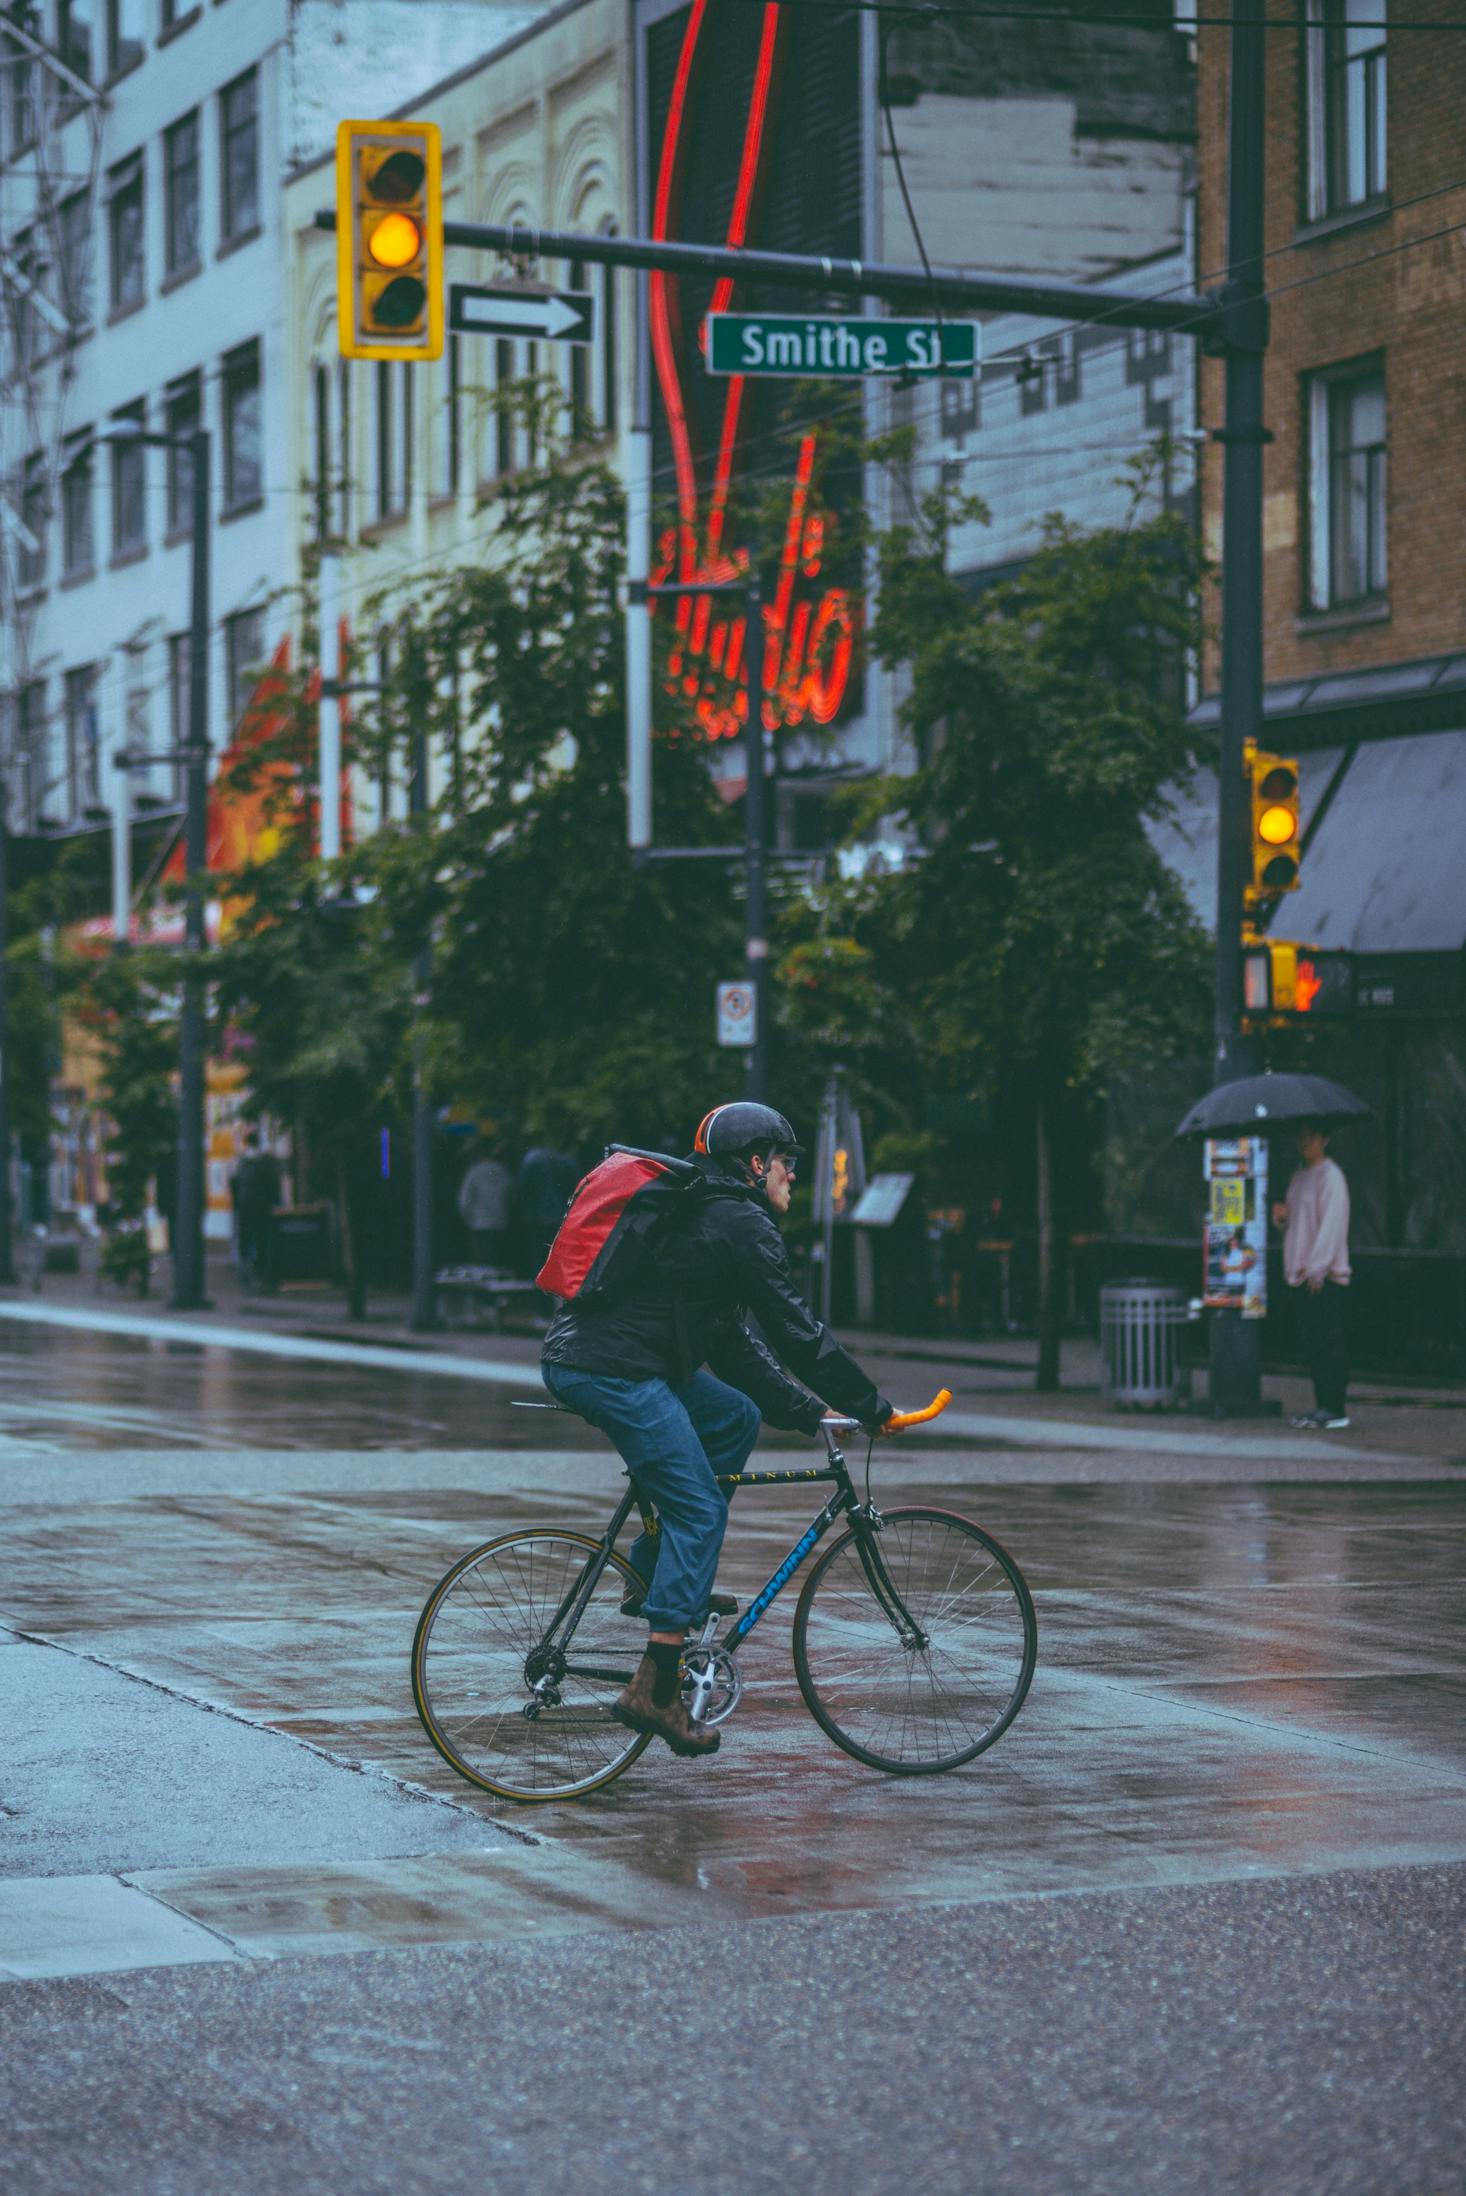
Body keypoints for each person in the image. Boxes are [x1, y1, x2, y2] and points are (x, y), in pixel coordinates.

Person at [541, 1101, 894, 1761]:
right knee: (699, 1508)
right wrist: (870, 1405)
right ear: (755, 1163)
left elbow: (732, 1345)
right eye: (787, 1162)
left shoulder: (707, 1211)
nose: (793, 1175)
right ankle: (657, 1689)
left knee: (733, 1416)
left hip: (612, 1359)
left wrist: (808, 1411)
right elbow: (795, 1331)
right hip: (614, 1369)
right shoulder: (738, 1219)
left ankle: (654, 1577)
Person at [1272, 1120, 1351, 1431]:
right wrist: (1281, 1218)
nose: (1305, 1142)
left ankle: (1335, 1407)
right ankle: (1323, 1406)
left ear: (1325, 1139)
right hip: (1301, 1273)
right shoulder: (1299, 1175)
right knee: (1315, 1345)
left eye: (1312, 1137)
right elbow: (1297, 1223)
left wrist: (1318, 1268)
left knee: (1329, 1342)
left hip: (1324, 1276)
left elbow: (1333, 1225)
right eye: (1301, 1137)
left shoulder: (1331, 1177)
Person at [232, 1129, 283, 1293]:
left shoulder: (241, 1161)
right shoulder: (265, 1161)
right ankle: (261, 1275)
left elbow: (233, 1184)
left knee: (245, 1241)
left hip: (244, 1207)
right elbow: (273, 1186)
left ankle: (246, 1274)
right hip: (262, 1208)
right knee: (262, 1240)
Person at [457, 1142, 512, 1268]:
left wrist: (469, 1220)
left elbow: (464, 1201)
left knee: (482, 1262)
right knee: (497, 1262)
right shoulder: (504, 1172)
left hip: (479, 1224)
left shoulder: (474, 1172)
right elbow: (511, 1197)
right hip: (500, 1223)